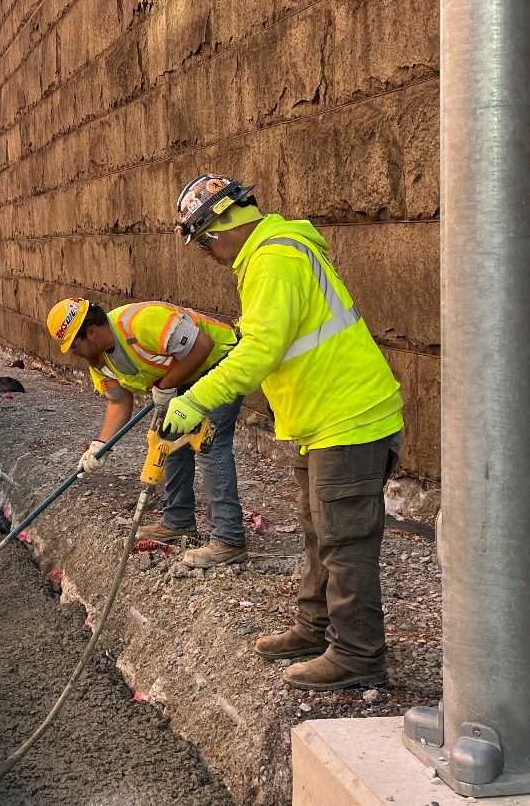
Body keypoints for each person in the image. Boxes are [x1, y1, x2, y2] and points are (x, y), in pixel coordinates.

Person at [163, 174, 405, 691]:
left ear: (224, 221)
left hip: (350, 418)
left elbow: (260, 352)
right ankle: (315, 628)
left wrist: (197, 398)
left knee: (345, 541)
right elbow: (265, 341)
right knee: (320, 529)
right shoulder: (273, 255)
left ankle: (358, 654)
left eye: (203, 239)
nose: (205, 252)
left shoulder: (273, 262)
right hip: (323, 421)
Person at [44, 296, 247, 567]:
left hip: (219, 365)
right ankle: (178, 522)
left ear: (91, 333)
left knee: (210, 444)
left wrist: (167, 384)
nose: (74, 353)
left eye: (74, 345)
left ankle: (229, 538)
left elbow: (202, 345)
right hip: (181, 383)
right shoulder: (99, 362)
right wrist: (100, 445)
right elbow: (118, 400)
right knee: (168, 441)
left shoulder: (141, 322)